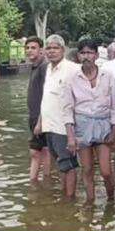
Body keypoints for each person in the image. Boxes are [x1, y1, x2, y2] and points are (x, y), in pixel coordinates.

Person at [64, 39, 115, 203]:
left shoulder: (107, 76)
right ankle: (90, 202)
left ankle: (111, 200)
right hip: (82, 125)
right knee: (87, 169)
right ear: (78, 56)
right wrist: (70, 137)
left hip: (103, 124)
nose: (86, 56)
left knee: (105, 171)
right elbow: (67, 108)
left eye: (89, 52)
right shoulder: (72, 78)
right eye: (83, 53)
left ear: (96, 55)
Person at [38, 35, 80, 196]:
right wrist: (40, 123)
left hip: (64, 127)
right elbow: (46, 97)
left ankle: (70, 199)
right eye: (48, 48)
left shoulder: (73, 69)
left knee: (68, 164)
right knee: (60, 163)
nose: (51, 51)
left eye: (55, 48)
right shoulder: (48, 69)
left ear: (63, 50)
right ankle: (65, 195)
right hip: (49, 125)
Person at [25, 36, 51, 182]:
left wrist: (41, 121)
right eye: (27, 48)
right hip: (34, 116)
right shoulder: (35, 66)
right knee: (39, 151)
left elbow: (46, 95)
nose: (29, 51)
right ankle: (39, 181)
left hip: (41, 117)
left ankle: (39, 182)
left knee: (39, 151)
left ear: (41, 50)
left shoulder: (43, 67)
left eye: (33, 48)